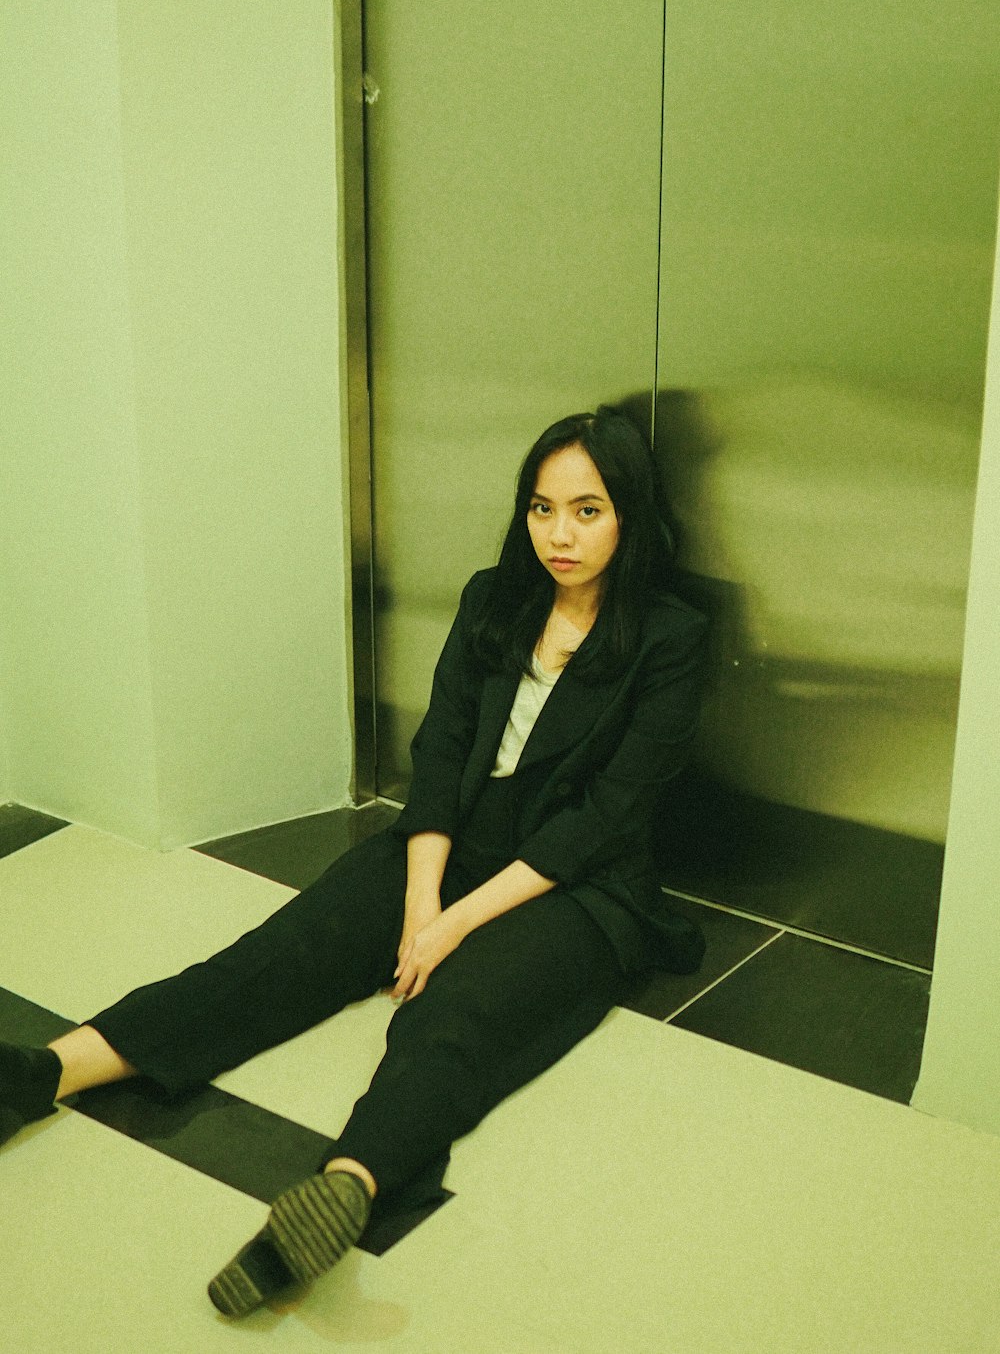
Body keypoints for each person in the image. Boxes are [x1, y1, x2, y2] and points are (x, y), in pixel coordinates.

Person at [0, 406, 708, 1318]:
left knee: (452, 1019)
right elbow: (445, 750)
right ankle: (42, 1073)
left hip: (580, 886)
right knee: (283, 953)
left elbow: (607, 819)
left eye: (587, 511)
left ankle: (342, 1189)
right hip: (454, 842)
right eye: (542, 508)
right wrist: (422, 896)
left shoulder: (668, 637)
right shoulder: (497, 597)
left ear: (630, 516)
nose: (559, 535)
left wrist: (451, 926)